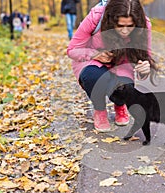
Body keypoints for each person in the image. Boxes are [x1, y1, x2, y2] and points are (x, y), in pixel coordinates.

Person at [67, 0, 158, 132]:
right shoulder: (96, 17)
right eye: (120, 26)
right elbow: (72, 50)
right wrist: (95, 54)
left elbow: (144, 57)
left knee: (125, 88)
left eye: (130, 26)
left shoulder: (145, 24)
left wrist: (144, 68)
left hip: (122, 65)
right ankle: (99, 109)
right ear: (111, 19)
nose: (125, 31)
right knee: (93, 77)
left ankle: (120, 104)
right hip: (93, 62)